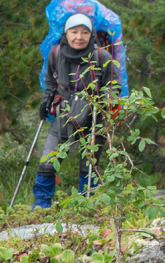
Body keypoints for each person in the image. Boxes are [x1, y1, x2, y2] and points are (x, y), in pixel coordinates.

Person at [34, 13, 119, 208]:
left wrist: (108, 98)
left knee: (88, 166)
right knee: (47, 163)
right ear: (66, 33)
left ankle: (87, 206)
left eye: (84, 32)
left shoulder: (102, 57)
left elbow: (114, 84)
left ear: (91, 35)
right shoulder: (56, 54)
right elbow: (50, 80)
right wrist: (47, 100)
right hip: (63, 115)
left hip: (93, 117)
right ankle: (41, 205)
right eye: (74, 32)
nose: (79, 37)